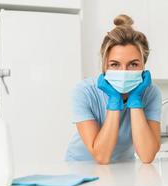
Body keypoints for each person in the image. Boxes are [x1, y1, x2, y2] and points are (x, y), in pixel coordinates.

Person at [65, 14, 162, 164]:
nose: (124, 71)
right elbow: (101, 157)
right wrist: (114, 100)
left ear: (144, 67)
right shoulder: (84, 91)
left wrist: (135, 99)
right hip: (81, 167)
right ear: (104, 66)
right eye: (115, 64)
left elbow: (147, 155)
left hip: (123, 167)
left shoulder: (150, 93)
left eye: (133, 64)